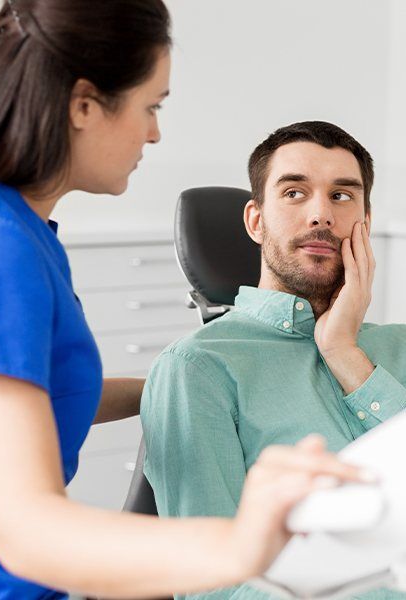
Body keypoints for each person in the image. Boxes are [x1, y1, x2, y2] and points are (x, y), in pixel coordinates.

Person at [0, 3, 366, 599]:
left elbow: (30, 395)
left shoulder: (25, 235)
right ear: (84, 105)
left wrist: (174, 379)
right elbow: (24, 531)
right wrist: (241, 544)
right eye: (150, 106)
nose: (154, 131)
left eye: (344, 195)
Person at [141, 121, 406, 599]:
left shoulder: (399, 346)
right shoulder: (197, 369)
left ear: (365, 221)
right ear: (255, 220)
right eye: (295, 193)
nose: (321, 214)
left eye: (343, 196)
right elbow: (211, 588)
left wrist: (345, 354)